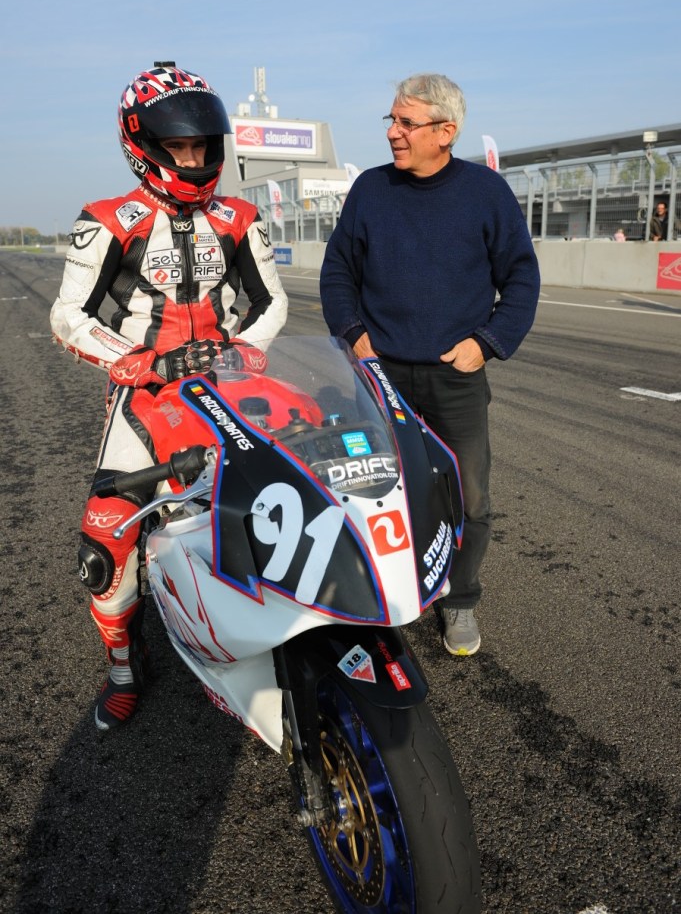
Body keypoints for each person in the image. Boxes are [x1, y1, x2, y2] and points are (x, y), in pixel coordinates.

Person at [50, 62, 288, 730]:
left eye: (202, 146)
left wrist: (244, 347)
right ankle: (125, 664)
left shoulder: (240, 216)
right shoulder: (105, 220)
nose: (193, 158)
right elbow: (69, 315)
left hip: (231, 391)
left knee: (287, 501)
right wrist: (132, 358)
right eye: (179, 146)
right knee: (102, 549)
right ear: (143, 144)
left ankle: (291, 631)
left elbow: (271, 303)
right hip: (145, 403)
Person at [319, 73, 540, 658]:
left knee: (469, 496)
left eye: (405, 122)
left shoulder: (485, 193)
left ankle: (460, 601)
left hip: (456, 376)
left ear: (446, 132)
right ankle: (379, 592)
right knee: (372, 491)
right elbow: (339, 268)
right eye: (390, 120)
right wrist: (353, 333)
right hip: (378, 373)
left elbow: (521, 276)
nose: (392, 132)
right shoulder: (370, 189)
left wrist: (487, 343)